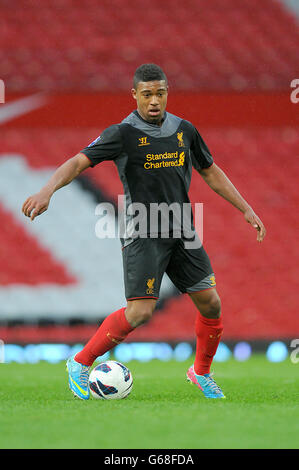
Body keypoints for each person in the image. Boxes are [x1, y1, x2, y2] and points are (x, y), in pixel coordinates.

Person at [22, 63, 266, 400]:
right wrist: (47, 190)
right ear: (135, 94)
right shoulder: (121, 134)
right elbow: (79, 161)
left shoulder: (185, 130)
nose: (154, 101)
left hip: (182, 230)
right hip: (144, 230)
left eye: (160, 93)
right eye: (147, 94)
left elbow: (210, 171)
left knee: (211, 303)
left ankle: (201, 372)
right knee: (140, 312)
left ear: (168, 93)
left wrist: (245, 208)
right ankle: (79, 362)